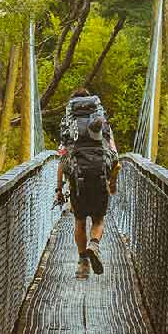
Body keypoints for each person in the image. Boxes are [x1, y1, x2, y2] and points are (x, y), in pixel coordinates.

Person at [56, 113, 119, 278]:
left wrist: (59, 190)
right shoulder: (103, 127)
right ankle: (94, 244)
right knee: (98, 220)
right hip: (100, 182)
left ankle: (83, 263)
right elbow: (116, 161)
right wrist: (112, 183)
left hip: (78, 185)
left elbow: (62, 162)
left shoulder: (70, 129)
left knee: (80, 221)